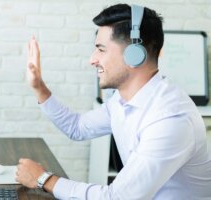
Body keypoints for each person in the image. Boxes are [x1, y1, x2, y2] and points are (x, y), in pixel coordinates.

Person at [16, 4, 211, 199]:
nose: (92, 60)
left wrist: (43, 179)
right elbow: (77, 127)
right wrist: (38, 86)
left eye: (101, 49)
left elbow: (117, 197)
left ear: (134, 54)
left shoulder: (170, 119)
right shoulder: (122, 100)